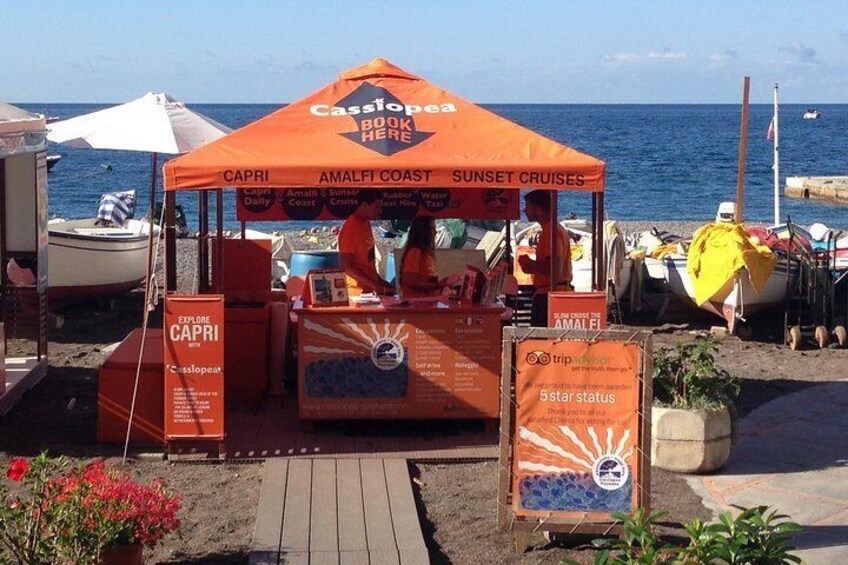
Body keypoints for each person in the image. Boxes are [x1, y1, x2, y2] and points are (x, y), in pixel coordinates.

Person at [517, 190, 572, 327]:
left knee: (540, 342)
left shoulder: (551, 231)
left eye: (528, 206)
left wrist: (530, 264)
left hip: (549, 296)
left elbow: (554, 268)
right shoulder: (552, 230)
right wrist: (532, 266)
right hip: (551, 293)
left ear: (538, 209)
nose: (524, 210)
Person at [338, 191, 393, 295]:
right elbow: (346, 267)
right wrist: (373, 283)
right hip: (357, 292)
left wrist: (379, 281)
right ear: (364, 205)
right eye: (376, 207)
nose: (380, 211)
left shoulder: (365, 223)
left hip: (369, 291)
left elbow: (367, 261)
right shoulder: (351, 229)